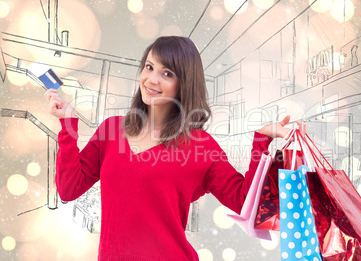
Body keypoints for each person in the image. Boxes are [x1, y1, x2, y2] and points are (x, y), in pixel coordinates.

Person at [45, 36, 306, 261]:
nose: (151, 79)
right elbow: (69, 189)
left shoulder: (200, 146)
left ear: (184, 83)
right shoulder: (112, 130)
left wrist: (261, 141)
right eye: (149, 67)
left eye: (167, 73)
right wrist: (67, 125)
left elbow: (244, 201)